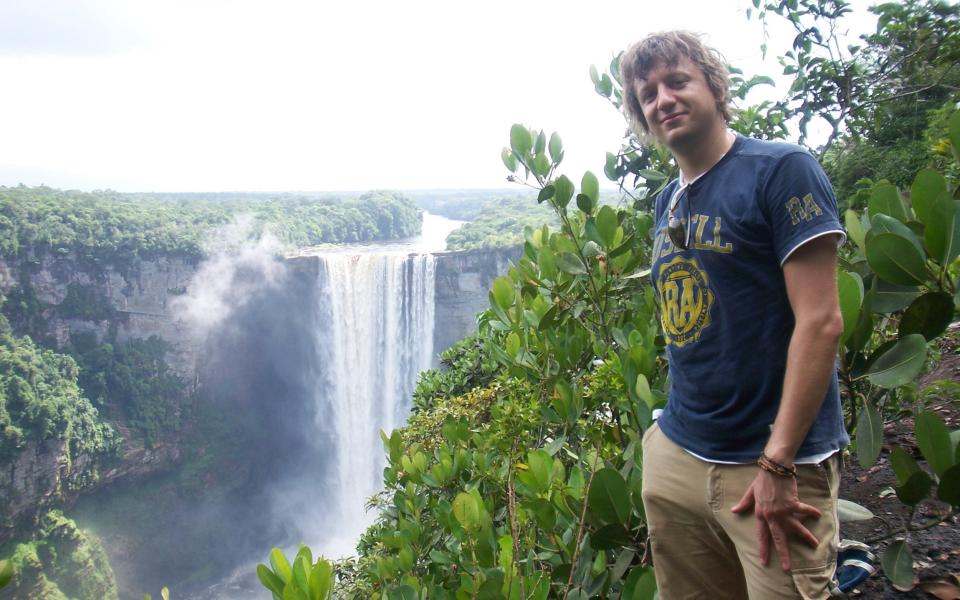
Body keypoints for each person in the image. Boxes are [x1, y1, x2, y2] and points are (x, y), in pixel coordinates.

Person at [621, 31, 850, 599]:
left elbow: (821, 321)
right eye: (648, 93)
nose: (663, 99)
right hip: (679, 451)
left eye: (678, 82)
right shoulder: (667, 200)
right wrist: (660, 448)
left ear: (714, 87)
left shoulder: (781, 170)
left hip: (769, 465)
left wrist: (777, 462)